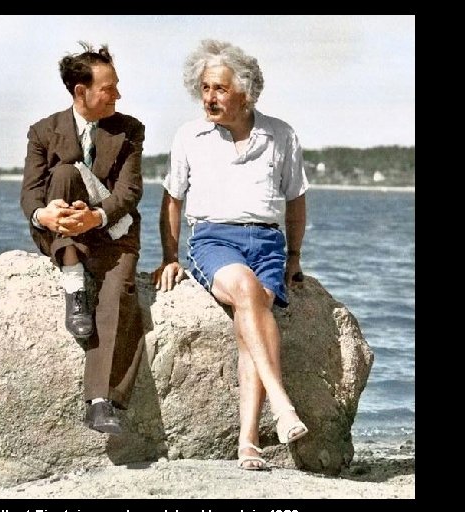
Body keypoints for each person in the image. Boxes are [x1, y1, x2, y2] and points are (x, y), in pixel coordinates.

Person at [153, 39, 309, 470]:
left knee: (253, 311)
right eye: (205, 88)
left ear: (246, 92)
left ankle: (247, 443)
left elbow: (296, 200)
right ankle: (281, 404)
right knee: (244, 289)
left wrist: (294, 257)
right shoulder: (190, 136)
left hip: (267, 241)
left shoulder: (281, 134)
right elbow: (172, 199)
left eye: (219, 89)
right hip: (212, 240)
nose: (209, 97)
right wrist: (170, 257)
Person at [21, 42, 145, 435]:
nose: (117, 95)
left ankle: (100, 400)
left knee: (117, 298)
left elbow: (129, 192)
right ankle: (73, 283)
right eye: (109, 88)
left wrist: (96, 215)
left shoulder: (129, 130)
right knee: (64, 174)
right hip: (61, 233)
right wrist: (46, 214)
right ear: (81, 92)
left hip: (113, 231)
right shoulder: (44, 131)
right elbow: (30, 192)